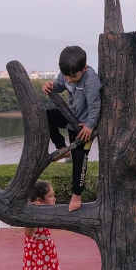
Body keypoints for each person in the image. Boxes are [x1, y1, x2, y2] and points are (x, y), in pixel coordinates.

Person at [42, 45, 102, 212]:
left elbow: (95, 106)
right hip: (70, 116)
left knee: (79, 158)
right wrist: (51, 85)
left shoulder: (91, 80)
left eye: (73, 76)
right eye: (66, 75)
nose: (69, 79)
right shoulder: (67, 72)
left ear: (83, 68)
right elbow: (61, 85)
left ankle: (77, 194)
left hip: (84, 125)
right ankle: (62, 148)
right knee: (48, 116)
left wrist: (90, 125)